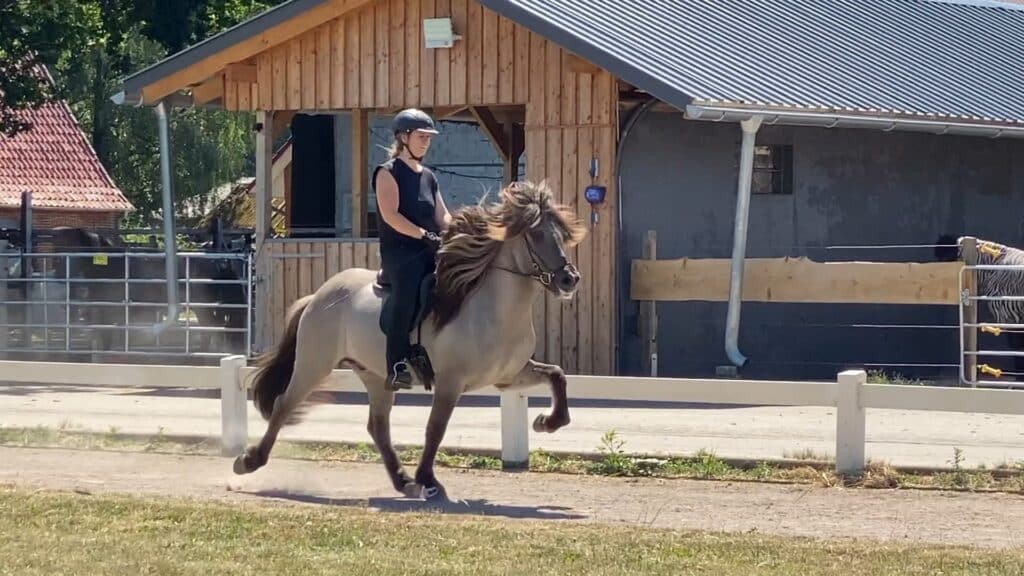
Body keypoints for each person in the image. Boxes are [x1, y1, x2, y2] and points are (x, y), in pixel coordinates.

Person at [373, 108, 452, 390]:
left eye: (428, 137)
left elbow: (443, 215)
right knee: (408, 286)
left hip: (430, 248)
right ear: (403, 137)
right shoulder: (387, 173)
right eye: (421, 136)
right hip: (401, 254)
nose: (425, 142)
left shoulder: (429, 176)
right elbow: (391, 215)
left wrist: (455, 234)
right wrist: (423, 234)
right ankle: (395, 364)